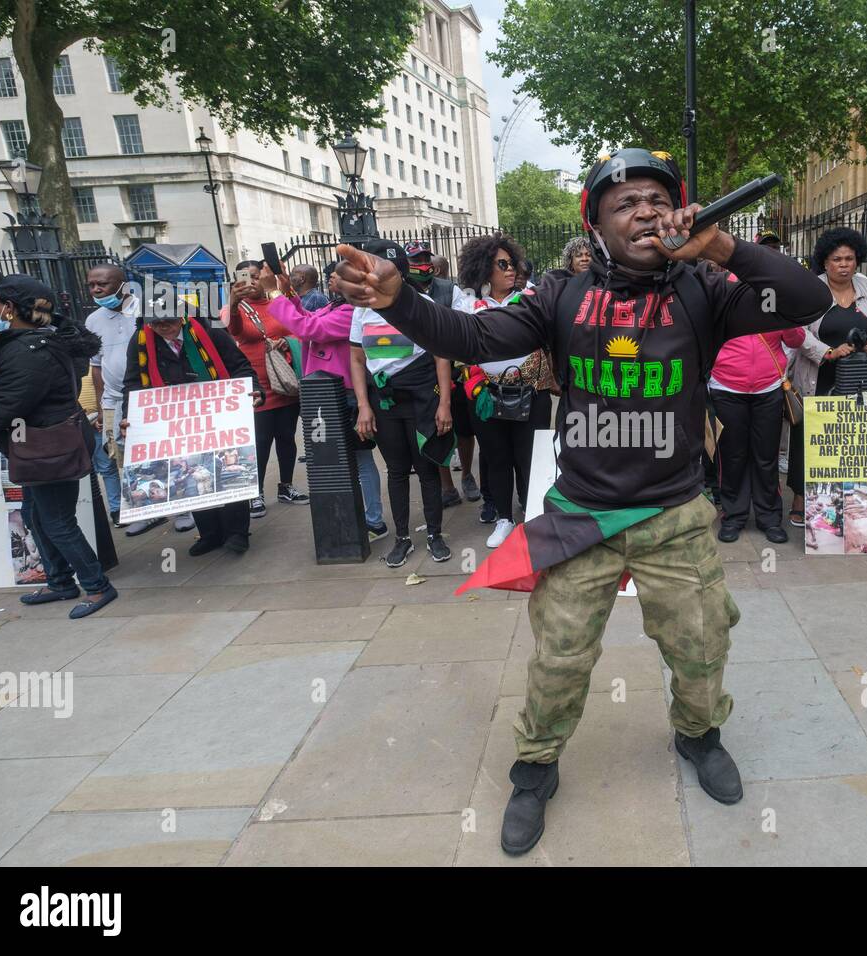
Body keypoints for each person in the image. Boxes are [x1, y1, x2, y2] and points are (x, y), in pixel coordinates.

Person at [333, 146, 830, 856]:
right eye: (624, 202)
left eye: (657, 199)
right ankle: (534, 769)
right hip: (582, 513)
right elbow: (474, 337)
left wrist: (720, 245)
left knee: (701, 645)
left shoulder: (705, 291)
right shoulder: (559, 296)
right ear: (595, 223)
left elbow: (806, 299)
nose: (645, 211)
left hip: (676, 512)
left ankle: (700, 737)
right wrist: (401, 301)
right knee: (560, 658)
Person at [0, 276, 115, 617]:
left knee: (57, 521)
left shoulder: (30, 351)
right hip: (37, 446)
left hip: (49, 448)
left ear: (9, 308)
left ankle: (97, 586)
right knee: (35, 517)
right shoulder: (37, 339)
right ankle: (60, 580)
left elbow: (2, 409)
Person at [259, 263, 389, 540]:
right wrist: (288, 294)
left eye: (336, 277)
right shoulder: (334, 307)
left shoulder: (351, 313)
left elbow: (309, 329)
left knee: (361, 458)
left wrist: (273, 294)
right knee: (341, 461)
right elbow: (307, 316)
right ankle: (355, 515)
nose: (330, 280)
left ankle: (374, 520)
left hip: (345, 394)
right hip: (325, 394)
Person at [123, 302, 263, 556]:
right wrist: (129, 415)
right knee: (191, 472)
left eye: (169, 321)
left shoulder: (210, 332)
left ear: (182, 317)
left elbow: (240, 366)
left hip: (219, 412)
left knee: (224, 470)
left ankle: (237, 533)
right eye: (156, 323)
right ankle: (210, 534)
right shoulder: (142, 340)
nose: (163, 327)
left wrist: (253, 391)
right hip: (175, 419)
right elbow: (133, 382)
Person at [348, 239, 454, 567]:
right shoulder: (361, 311)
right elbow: (356, 359)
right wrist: (364, 406)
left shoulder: (419, 303)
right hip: (385, 400)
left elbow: (441, 353)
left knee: (426, 468)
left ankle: (435, 534)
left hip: (422, 396)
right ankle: (403, 538)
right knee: (395, 470)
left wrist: (445, 404)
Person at [785, 227, 867, 526]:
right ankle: (800, 499)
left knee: (852, 440)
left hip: (862, 375)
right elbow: (797, 331)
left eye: (849, 258)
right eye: (836, 259)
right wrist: (826, 351)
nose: (844, 264)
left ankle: (850, 498)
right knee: (809, 438)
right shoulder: (810, 289)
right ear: (825, 261)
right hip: (819, 376)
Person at [453, 233, 553, 548]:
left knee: (530, 457)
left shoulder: (530, 297)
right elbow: (460, 349)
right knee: (496, 458)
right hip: (485, 395)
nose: (512, 270)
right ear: (485, 268)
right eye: (503, 264)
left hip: (530, 392)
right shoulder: (468, 305)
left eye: (513, 264)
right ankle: (503, 519)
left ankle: (533, 515)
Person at [84, 263, 171, 536]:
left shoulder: (147, 311)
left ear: (123, 285)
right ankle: (145, 511)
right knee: (128, 460)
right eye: (92, 285)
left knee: (164, 453)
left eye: (103, 284)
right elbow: (96, 367)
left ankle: (183, 510)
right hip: (114, 401)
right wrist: (101, 407)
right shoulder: (92, 321)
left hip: (150, 397)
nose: (97, 289)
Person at [223, 261, 308, 517]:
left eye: (257, 277)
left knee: (286, 437)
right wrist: (235, 303)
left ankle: (286, 485)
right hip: (256, 385)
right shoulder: (235, 308)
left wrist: (286, 340)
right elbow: (234, 331)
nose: (252, 282)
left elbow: (299, 325)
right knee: (260, 441)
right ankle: (255, 493)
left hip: (285, 380)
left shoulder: (276, 301)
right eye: (246, 277)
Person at [709, 323, 804, 544]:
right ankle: (733, 516)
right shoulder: (723, 291)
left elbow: (796, 340)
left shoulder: (777, 297)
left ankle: (769, 518)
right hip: (726, 385)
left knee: (766, 456)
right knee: (732, 456)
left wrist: (787, 316)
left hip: (769, 387)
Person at [405, 239, 477, 508]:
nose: (421, 266)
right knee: (436, 431)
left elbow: (464, 323)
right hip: (422, 375)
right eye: (415, 261)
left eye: (425, 260)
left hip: (454, 370)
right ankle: (447, 486)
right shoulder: (403, 293)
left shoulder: (449, 289)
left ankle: (468, 474)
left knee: (464, 428)